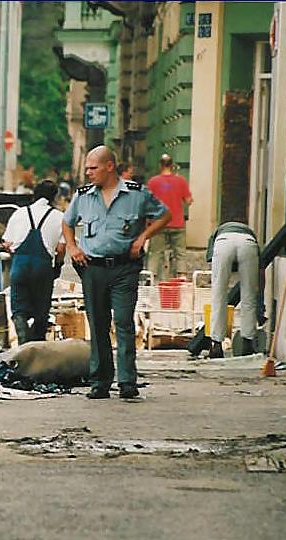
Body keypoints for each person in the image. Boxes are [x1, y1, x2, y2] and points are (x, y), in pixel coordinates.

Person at [62, 145, 171, 400]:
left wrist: (142, 237)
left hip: (124, 268)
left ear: (109, 166)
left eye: (93, 168)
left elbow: (164, 215)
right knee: (98, 324)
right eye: (87, 168)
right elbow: (67, 222)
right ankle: (100, 381)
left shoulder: (137, 194)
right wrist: (73, 247)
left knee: (123, 321)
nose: (88, 173)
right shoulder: (84, 196)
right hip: (93, 268)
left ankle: (126, 381)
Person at [2, 179, 66, 344]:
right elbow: (61, 249)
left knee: (19, 309)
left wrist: (15, 250)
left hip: (19, 266)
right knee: (41, 311)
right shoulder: (60, 217)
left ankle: (23, 343)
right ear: (54, 197)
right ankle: (37, 346)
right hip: (42, 268)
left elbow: (7, 243)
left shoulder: (19, 213)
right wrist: (58, 266)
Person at [205, 222, 260, 359]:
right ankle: (247, 344)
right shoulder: (251, 235)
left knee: (219, 295)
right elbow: (261, 273)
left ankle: (216, 345)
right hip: (248, 244)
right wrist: (261, 300)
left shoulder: (216, 235)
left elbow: (212, 261)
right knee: (249, 295)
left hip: (223, 244)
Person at [146, 154, 193, 281]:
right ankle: (181, 276)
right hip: (177, 223)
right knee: (180, 253)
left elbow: (147, 202)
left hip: (158, 223)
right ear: (172, 165)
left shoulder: (153, 182)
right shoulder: (181, 181)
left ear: (160, 165)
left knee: (155, 253)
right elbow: (188, 200)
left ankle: (151, 277)